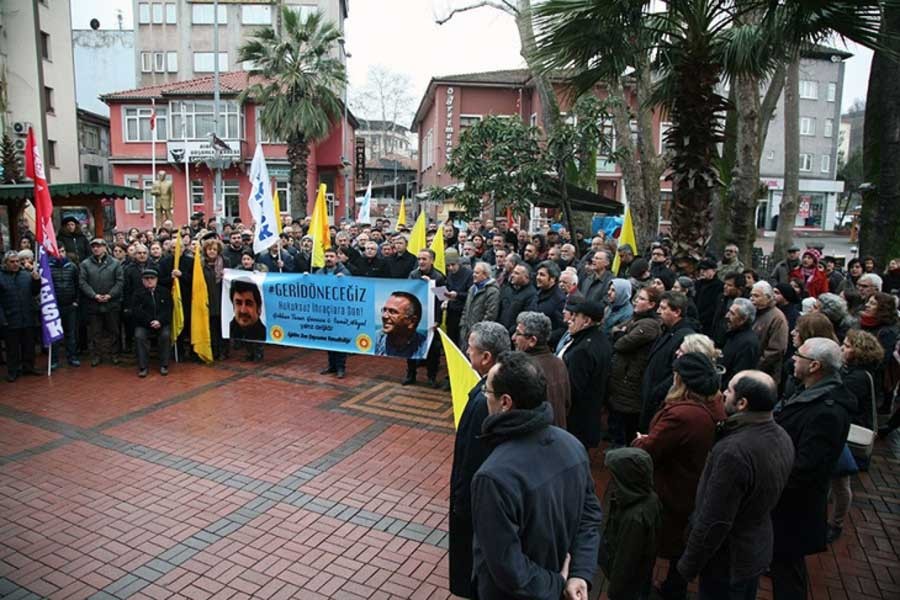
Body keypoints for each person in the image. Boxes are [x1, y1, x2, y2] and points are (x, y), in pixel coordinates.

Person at [470, 351, 603, 600]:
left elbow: (506, 564)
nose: (485, 397)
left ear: (505, 402)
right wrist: (580, 573)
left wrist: (556, 583)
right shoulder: (572, 445)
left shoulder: (493, 476)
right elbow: (590, 517)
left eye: (487, 391)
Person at [677, 370, 794, 600]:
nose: (722, 394)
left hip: (728, 561)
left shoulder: (734, 452)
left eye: (729, 390)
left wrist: (688, 565)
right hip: (754, 550)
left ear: (742, 403)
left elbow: (715, 520)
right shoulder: (781, 436)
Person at [632, 352, 725, 600]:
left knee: (651, 548)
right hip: (689, 488)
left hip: (669, 490)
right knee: (679, 550)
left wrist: (641, 441)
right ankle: (674, 588)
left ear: (680, 379)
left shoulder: (682, 415)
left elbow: (650, 450)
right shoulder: (712, 405)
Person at [771, 338, 854, 600]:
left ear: (815, 366)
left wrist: (772, 485)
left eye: (799, 356)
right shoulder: (809, 392)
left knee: (787, 571)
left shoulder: (826, 411)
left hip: (794, 506)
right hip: (788, 501)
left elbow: (806, 467)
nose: (793, 359)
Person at [448, 322, 510, 598]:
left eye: (470, 349)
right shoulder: (499, 386)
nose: (466, 352)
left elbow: (471, 460)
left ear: (486, 357)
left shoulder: (484, 401)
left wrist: (460, 502)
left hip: (475, 503)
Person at [827, 330, 884, 543]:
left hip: (849, 433)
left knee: (841, 484)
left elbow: (840, 397)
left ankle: (836, 523)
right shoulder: (851, 371)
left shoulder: (858, 377)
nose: (843, 348)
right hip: (842, 430)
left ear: (860, 352)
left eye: (848, 346)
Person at [600, 447, 660, 600]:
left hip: (627, 585)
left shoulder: (634, 519)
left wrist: (614, 591)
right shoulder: (649, 497)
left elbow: (625, 562)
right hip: (640, 575)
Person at [639, 291, 695, 432]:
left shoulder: (684, 337)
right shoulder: (668, 331)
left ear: (677, 312)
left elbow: (677, 373)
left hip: (660, 400)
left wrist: (656, 393)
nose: (658, 311)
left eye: (663, 308)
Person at [559, 298, 611, 449]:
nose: (570, 320)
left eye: (575, 317)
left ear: (587, 321)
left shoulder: (582, 350)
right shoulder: (601, 340)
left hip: (577, 420)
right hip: (591, 413)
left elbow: (573, 389)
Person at [513, 311, 571, 429]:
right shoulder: (559, 363)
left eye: (518, 333)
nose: (513, 338)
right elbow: (567, 404)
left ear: (532, 341)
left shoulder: (525, 369)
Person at [79, 238, 124, 367]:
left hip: (112, 303)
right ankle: (96, 356)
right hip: (94, 304)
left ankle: (115, 355)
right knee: (95, 332)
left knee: (114, 331)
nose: (96, 249)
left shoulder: (115, 263)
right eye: (93, 246)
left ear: (105, 247)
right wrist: (94, 295)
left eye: (98, 246)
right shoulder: (85, 264)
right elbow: (82, 282)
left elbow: (120, 282)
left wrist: (110, 295)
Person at [404, 249, 445, 386]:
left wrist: (431, 285)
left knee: (433, 350)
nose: (421, 262)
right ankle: (410, 375)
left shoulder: (439, 277)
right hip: (414, 317)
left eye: (424, 259)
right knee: (410, 347)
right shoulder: (413, 274)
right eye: (419, 259)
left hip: (431, 318)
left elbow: (442, 298)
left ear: (432, 260)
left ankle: (431, 377)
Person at [0, 250, 41, 381]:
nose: (16, 264)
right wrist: (3, 319)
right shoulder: (1, 277)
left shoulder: (26, 275)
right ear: (5, 263)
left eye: (17, 261)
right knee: (12, 348)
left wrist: (36, 281)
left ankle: (29, 367)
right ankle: (13, 371)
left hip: (27, 317)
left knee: (29, 345)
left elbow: (34, 293)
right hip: (10, 318)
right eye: (12, 262)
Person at [130, 268, 172, 377]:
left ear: (157, 280)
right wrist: (150, 321)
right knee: (139, 336)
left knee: (165, 335)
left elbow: (168, 310)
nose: (149, 281)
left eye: (152, 278)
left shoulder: (164, 292)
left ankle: (164, 365)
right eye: (146, 278)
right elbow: (136, 311)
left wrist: (159, 321)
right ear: (142, 280)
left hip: (161, 323)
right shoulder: (137, 294)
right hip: (144, 324)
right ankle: (143, 367)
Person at [317, 248, 350, 377]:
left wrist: (344, 280)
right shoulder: (319, 272)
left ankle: (341, 367)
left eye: (331, 256)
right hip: (325, 311)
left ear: (336, 258)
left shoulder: (344, 272)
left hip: (340, 312)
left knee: (340, 340)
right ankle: (332, 366)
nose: (328, 259)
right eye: (326, 256)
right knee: (329, 339)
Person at [750, 281, 789, 386]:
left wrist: (757, 365)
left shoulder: (777, 318)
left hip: (765, 373)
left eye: (756, 296)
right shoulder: (754, 312)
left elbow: (777, 349)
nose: (752, 299)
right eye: (751, 295)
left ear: (768, 297)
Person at [48, 253, 80, 368]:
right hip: (54, 306)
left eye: (61, 251)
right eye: (57, 251)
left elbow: (77, 284)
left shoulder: (72, 267)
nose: (59, 254)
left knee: (70, 333)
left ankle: (72, 357)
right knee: (55, 334)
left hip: (70, 305)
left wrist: (76, 301)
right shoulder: (48, 267)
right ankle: (54, 360)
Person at [459, 261, 500, 351]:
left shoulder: (492, 291)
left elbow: (490, 314)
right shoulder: (472, 289)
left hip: (479, 335)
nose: (473, 275)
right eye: (474, 272)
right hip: (466, 331)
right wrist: (462, 325)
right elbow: (466, 309)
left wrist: (478, 331)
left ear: (485, 274)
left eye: (477, 273)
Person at [720, 298, 761, 389]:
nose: (727, 316)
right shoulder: (733, 334)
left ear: (743, 319)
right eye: (728, 312)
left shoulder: (748, 343)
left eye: (732, 314)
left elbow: (738, 374)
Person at [375, 291, 427, 359]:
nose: (384, 316)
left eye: (393, 312)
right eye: (384, 310)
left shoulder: (425, 347)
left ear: (412, 321)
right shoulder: (373, 339)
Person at [443, 248, 472, 346]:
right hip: (451, 311)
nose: (450, 268)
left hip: (463, 312)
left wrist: (457, 295)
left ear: (458, 263)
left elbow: (471, 294)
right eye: (448, 266)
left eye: (453, 265)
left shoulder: (468, 274)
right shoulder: (450, 275)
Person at [497, 263, 537, 333]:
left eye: (516, 273)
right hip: (499, 331)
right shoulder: (507, 289)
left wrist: (511, 332)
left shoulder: (531, 294)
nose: (512, 275)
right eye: (513, 272)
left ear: (526, 277)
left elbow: (525, 319)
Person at [534, 260, 566, 343]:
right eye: (537, 274)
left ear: (552, 279)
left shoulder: (560, 300)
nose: (537, 277)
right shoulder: (537, 294)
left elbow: (562, 329)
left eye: (542, 275)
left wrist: (543, 339)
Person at [695, 258, 723, 337]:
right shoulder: (697, 284)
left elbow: (715, 307)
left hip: (708, 324)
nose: (702, 272)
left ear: (714, 271)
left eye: (705, 269)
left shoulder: (719, 286)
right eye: (701, 269)